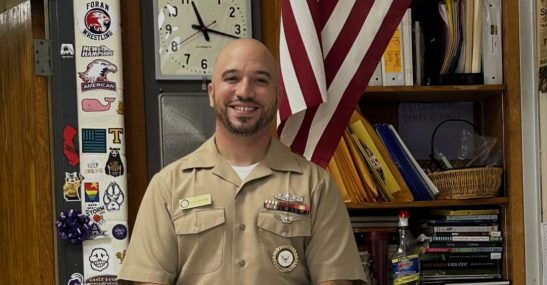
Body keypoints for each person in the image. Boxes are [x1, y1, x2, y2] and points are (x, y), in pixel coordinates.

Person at [118, 39, 367, 285]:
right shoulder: (168, 187)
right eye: (231, 78)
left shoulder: (316, 186)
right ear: (212, 93)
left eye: (260, 80)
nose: (245, 92)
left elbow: (334, 281)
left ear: (278, 96)